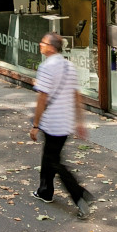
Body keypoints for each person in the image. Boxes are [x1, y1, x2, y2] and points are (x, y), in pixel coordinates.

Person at [30, 32, 93, 217]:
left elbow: (42, 98)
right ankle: (45, 191)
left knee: (55, 161)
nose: (40, 44)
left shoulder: (46, 67)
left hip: (52, 122)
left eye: (43, 42)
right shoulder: (69, 66)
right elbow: (76, 95)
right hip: (65, 122)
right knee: (49, 155)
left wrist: (35, 124)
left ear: (51, 47)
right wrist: (80, 121)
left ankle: (79, 195)